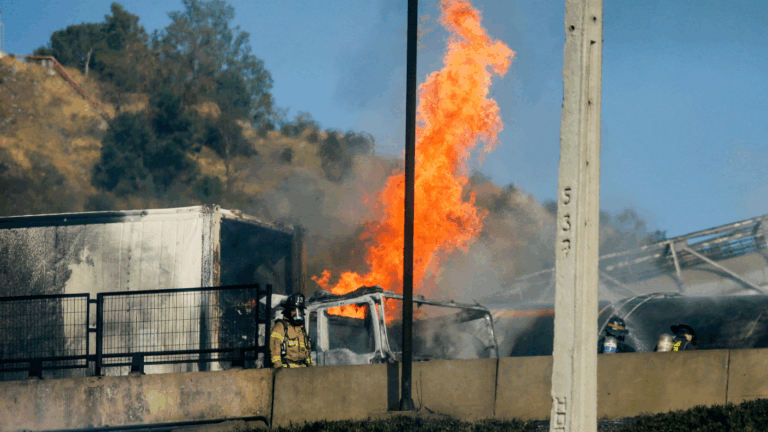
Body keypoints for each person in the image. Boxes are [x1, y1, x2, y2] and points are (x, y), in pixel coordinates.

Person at [270, 293, 313, 368]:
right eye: (294, 310)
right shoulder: (281, 327)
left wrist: (312, 366)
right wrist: (279, 367)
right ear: (288, 311)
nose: (297, 314)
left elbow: (307, 353)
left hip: (302, 370)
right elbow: (275, 349)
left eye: (299, 311)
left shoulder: (301, 329)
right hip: (287, 369)